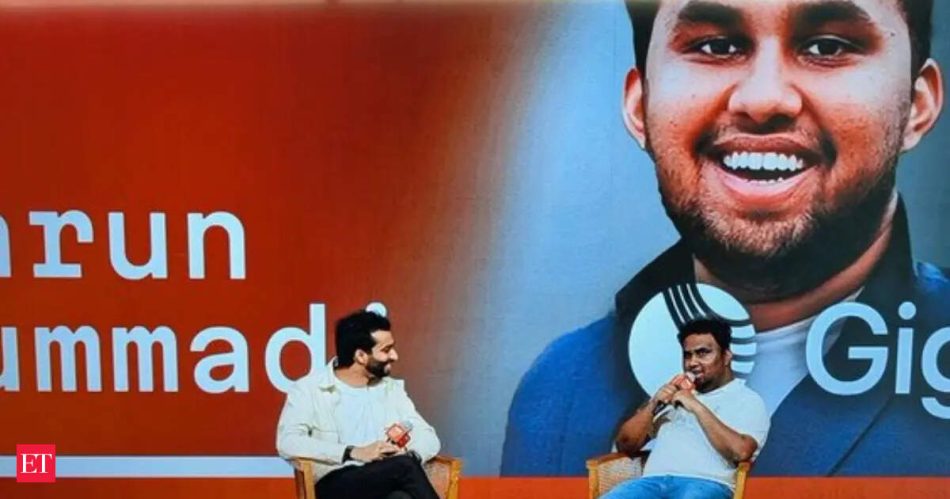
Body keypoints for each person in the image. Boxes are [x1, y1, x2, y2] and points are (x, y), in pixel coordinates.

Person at [502, 0, 949, 476]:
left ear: (916, 106)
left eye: (827, 47)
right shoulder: (559, 388)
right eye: (716, 46)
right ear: (640, 106)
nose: (763, 99)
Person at [277, 309, 441, 499]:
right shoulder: (309, 389)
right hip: (334, 484)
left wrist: (410, 454)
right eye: (386, 350)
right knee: (404, 467)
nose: (394, 356)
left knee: (401, 495)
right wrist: (352, 452)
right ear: (361, 356)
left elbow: (428, 436)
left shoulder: (391, 390)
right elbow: (287, 442)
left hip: (383, 478)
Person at [605, 319, 769, 499]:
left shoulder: (747, 400)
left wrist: (696, 406)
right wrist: (653, 404)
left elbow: (741, 452)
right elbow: (625, 445)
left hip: (706, 484)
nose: (692, 362)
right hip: (651, 484)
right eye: (687, 355)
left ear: (726, 356)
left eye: (703, 353)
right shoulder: (672, 399)